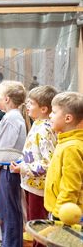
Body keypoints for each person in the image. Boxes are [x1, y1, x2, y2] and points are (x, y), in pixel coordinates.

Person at [10, 85, 58, 247]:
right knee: (33, 224)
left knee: (40, 228)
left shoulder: (45, 130)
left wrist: (22, 168)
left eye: (31, 103)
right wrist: (22, 164)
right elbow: (33, 154)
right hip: (31, 184)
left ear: (44, 108)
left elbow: (47, 163)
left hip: (39, 188)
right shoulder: (37, 123)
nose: (27, 106)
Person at [0, 80, 29, 247]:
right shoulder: (12, 117)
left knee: (9, 212)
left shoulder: (12, 118)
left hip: (9, 171)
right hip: (9, 170)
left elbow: (4, 149)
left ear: (6, 99)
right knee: (8, 211)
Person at [44, 92, 83, 221]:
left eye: (54, 112)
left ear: (68, 118)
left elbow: (70, 188)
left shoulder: (72, 148)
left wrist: (58, 215)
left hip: (66, 215)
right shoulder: (65, 141)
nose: (50, 115)